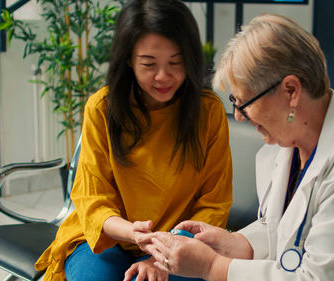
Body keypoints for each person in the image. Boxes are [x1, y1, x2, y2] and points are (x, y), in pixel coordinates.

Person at [146, 13, 334, 280]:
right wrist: (234, 243)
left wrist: (212, 267)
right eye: (234, 101)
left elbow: (317, 277)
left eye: (244, 102)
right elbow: (284, 231)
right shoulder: (288, 144)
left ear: (291, 91)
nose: (239, 116)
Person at [34, 0, 233, 280]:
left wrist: (161, 255)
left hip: (181, 242)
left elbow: (213, 203)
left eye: (176, 62)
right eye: (149, 64)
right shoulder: (102, 108)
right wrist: (132, 232)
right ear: (128, 59)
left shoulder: (208, 112)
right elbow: (93, 199)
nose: (163, 76)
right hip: (107, 237)